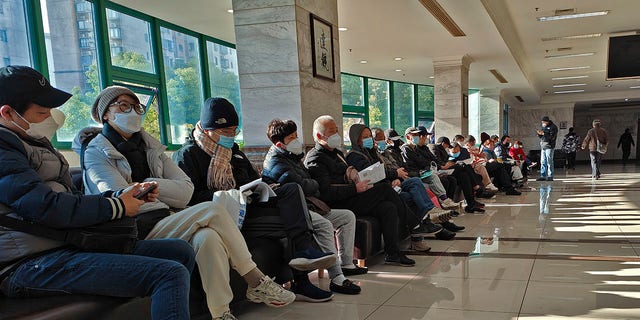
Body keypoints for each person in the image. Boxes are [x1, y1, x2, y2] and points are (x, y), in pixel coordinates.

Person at [80, 88, 296, 319]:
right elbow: (121, 198)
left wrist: (147, 185)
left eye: (136, 107)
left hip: (165, 217)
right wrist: (153, 189)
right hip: (131, 228)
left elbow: (185, 191)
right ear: (105, 114)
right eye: (123, 106)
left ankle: (221, 313)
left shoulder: (151, 147)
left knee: (209, 238)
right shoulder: (96, 151)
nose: (132, 112)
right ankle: (254, 279)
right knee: (213, 208)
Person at [0, 66, 196, 320]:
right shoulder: (5, 149)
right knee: (169, 272)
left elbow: (69, 200)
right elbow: (45, 206)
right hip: (29, 264)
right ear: (7, 112)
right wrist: (117, 206)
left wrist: (122, 199)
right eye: (42, 111)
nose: (51, 117)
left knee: (180, 250)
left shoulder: (33, 143)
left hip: (64, 246)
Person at [172, 98, 336, 303]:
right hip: (222, 216)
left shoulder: (235, 153)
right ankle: (301, 279)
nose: (231, 137)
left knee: (291, 191)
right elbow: (189, 197)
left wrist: (266, 185)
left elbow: (254, 179)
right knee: (292, 220)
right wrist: (233, 194)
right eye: (225, 132)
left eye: (234, 131)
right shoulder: (187, 156)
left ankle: (304, 251)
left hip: (249, 206)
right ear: (207, 130)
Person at [262, 118, 364, 295]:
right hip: (295, 211)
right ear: (280, 143)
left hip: (310, 205)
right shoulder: (276, 162)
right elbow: (305, 185)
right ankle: (337, 278)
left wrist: (311, 184)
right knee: (324, 224)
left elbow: (309, 182)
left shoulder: (292, 157)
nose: (297, 140)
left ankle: (346, 263)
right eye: (291, 138)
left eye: (296, 135)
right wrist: (311, 184)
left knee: (347, 216)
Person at [304, 115, 417, 266]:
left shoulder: (336, 153)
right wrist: (355, 188)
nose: (337, 135)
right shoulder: (315, 158)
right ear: (319, 135)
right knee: (384, 189)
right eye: (332, 132)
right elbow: (325, 192)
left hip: (351, 195)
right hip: (338, 203)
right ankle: (413, 224)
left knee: (387, 208)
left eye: (337, 131)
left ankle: (393, 253)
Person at [536, 116, 558, 181]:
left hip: (549, 146)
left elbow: (552, 137)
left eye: (544, 122)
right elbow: (542, 136)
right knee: (542, 161)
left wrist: (544, 133)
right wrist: (539, 134)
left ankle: (550, 176)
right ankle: (543, 176)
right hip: (543, 146)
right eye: (542, 122)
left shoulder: (553, 127)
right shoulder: (543, 126)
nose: (543, 123)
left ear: (547, 121)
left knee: (549, 161)